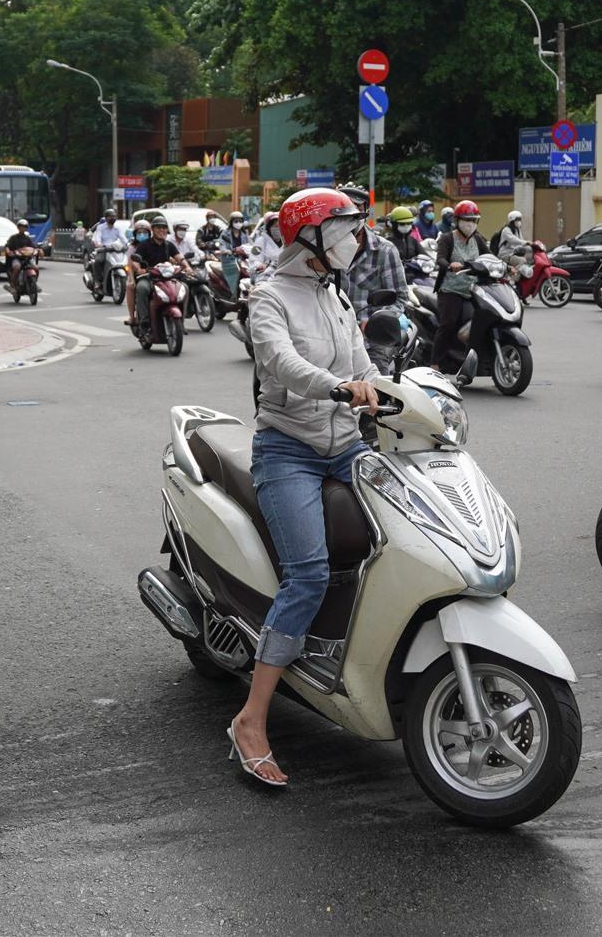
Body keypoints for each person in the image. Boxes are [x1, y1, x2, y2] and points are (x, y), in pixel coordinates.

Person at [231, 187, 378, 787]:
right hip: (287, 450)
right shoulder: (269, 297)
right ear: (310, 237)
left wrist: (391, 389)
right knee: (309, 572)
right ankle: (250, 720)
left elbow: (364, 365)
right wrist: (340, 387)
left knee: (403, 535)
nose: (355, 240)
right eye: (344, 229)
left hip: (348, 446)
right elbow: (281, 364)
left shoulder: (336, 296)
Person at [431, 199, 485, 375]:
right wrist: (449, 264)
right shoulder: (447, 238)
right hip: (450, 290)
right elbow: (440, 258)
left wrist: (508, 264)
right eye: (467, 220)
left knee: (480, 320)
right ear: (457, 221)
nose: (470, 224)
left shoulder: (478, 239)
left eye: (474, 220)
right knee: (448, 323)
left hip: (472, 290)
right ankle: (435, 363)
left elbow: (491, 256)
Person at [338, 184, 406, 320]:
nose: (351, 215)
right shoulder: (322, 249)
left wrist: (376, 321)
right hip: (331, 333)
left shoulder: (385, 251)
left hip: (369, 337)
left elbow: (399, 298)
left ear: (366, 213)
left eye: (357, 208)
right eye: (345, 209)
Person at [124, 216, 187, 325]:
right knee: (142, 288)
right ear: (153, 230)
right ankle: (144, 321)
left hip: (167, 278)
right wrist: (139, 269)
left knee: (184, 288)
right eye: (158, 227)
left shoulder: (169, 245)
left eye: (164, 228)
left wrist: (187, 267)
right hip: (149, 277)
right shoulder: (144, 245)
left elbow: (179, 257)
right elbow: (134, 260)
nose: (161, 230)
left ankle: (181, 320)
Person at [4, 217, 38, 287]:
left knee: (36, 268)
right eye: (21, 226)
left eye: (25, 227)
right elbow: (7, 246)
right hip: (16, 258)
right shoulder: (13, 237)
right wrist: (8, 251)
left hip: (27, 258)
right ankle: (13, 284)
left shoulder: (27, 238)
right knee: (17, 268)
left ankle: (34, 284)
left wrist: (39, 251)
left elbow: (33, 247)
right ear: (18, 227)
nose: (23, 228)